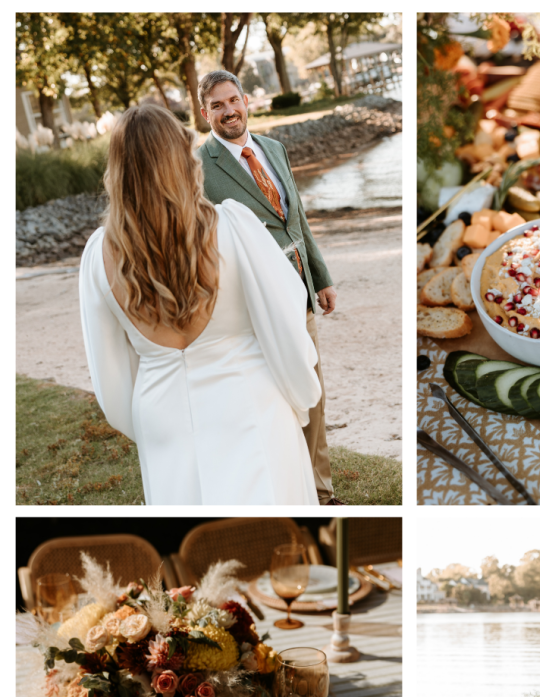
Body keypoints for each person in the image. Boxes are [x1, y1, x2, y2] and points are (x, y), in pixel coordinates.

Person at [79, 104, 321, 505]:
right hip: (250, 403)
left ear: (117, 169)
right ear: (183, 157)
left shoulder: (98, 256)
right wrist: (301, 397)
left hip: (161, 416)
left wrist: (147, 417)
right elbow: (287, 322)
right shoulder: (234, 226)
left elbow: (110, 377)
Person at [197, 70, 343, 506]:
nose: (228, 111)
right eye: (217, 106)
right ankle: (285, 490)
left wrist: (321, 276)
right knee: (273, 400)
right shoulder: (198, 166)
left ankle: (321, 493)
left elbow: (297, 219)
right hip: (252, 301)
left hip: (299, 291)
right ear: (204, 114)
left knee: (312, 392)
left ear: (246, 101)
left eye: (233, 100)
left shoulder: (274, 149)